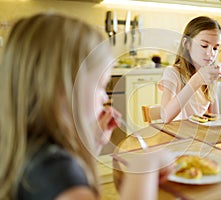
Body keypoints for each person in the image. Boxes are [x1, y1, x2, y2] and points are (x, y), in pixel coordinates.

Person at [0, 13, 173, 200]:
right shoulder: (58, 174)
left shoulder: (29, 151)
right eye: (100, 85)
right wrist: (145, 167)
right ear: (62, 87)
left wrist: (94, 142)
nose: (105, 96)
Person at [158, 16, 221, 123]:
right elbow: (165, 117)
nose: (211, 53)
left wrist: (213, 83)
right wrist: (196, 80)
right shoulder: (173, 73)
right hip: (178, 137)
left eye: (215, 48)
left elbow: (214, 118)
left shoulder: (208, 75)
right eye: (204, 45)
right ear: (186, 44)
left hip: (199, 136)